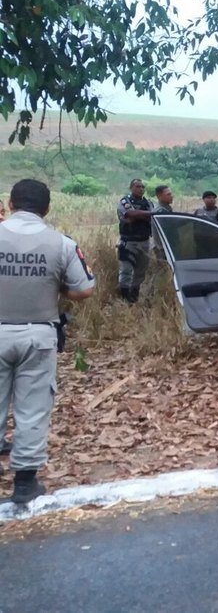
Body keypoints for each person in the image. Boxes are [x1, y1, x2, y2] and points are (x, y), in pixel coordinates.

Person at [0, 179, 96, 503]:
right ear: (47, 209)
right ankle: (25, 483)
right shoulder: (61, 243)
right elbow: (84, 289)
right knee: (33, 408)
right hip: (38, 335)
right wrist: (56, 290)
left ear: (10, 204)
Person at [116, 178, 154, 303]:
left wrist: (138, 215)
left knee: (140, 272)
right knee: (126, 271)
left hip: (144, 241)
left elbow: (152, 217)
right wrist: (144, 215)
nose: (141, 189)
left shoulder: (148, 202)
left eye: (143, 187)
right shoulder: (125, 200)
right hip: (128, 242)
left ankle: (134, 297)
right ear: (131, 187)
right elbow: (130, 214)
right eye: (138, 186)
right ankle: (124, 299)